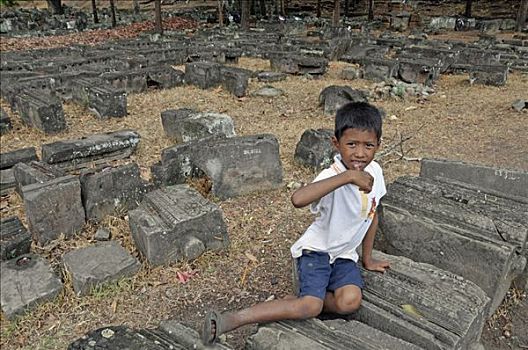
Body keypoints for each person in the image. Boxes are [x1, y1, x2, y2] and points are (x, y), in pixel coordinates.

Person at [202, 101, 390, 345]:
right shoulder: (332, 175)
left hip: (343, 255)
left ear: (378, 146)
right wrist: (347, 177)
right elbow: (297, 199)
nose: (360, 153)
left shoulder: (375, 171)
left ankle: (302, 300)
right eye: (351, 144)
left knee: (350, 302)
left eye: (368, 146)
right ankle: (233, 319)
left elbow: (372, 214)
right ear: (336, 143)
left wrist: (367, 258)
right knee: (311, 307)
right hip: (317, 252)